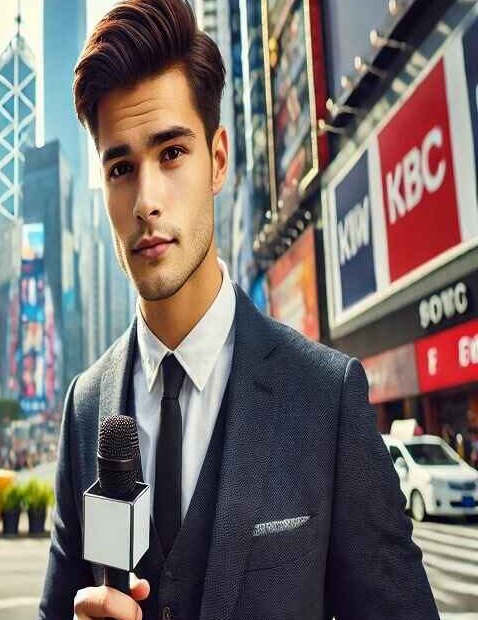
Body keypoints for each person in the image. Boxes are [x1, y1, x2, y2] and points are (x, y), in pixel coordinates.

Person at [37, 2, 438, 619]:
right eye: (121, 168)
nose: (146, 200)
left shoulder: (324, 397)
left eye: (172, 153)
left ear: (218, 159)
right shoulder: (86, 406)